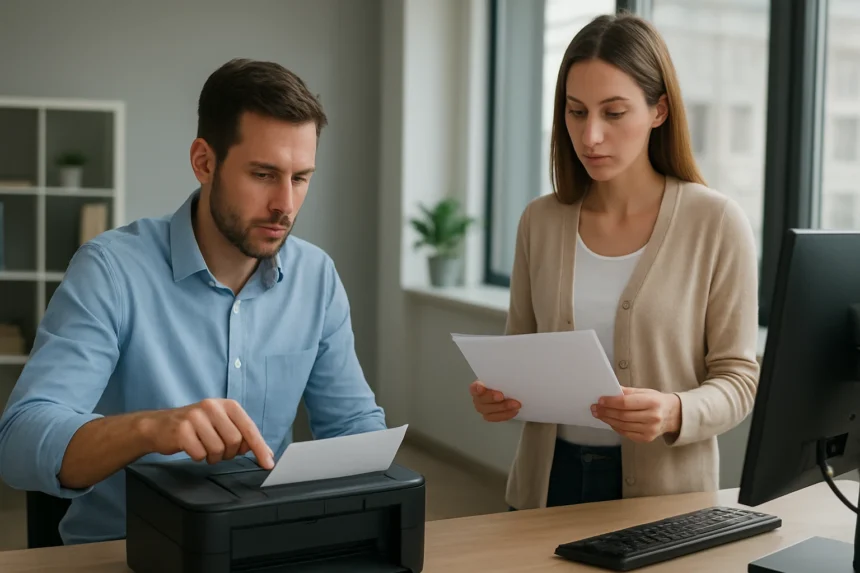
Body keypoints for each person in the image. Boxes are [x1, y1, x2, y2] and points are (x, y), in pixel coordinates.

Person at [0, 58, 387, 544]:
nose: (285, 204)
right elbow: (19, 443)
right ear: (205, 162)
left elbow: (354, 425)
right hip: (122, 552)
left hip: (262, 547)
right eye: (264, 174)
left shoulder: (317, 277)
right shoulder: (111, 270)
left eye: (301, 177)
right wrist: (149, 430)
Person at [470, 13, 760, 511]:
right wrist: (497, 395)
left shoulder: (716, 222)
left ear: (659, 111)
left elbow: (738, 379)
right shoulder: (539, 222)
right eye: (576, 112)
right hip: (544, 488)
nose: (591, 136)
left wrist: (674, 410)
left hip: (668, 498)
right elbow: (517, 350)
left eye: (614, 112)